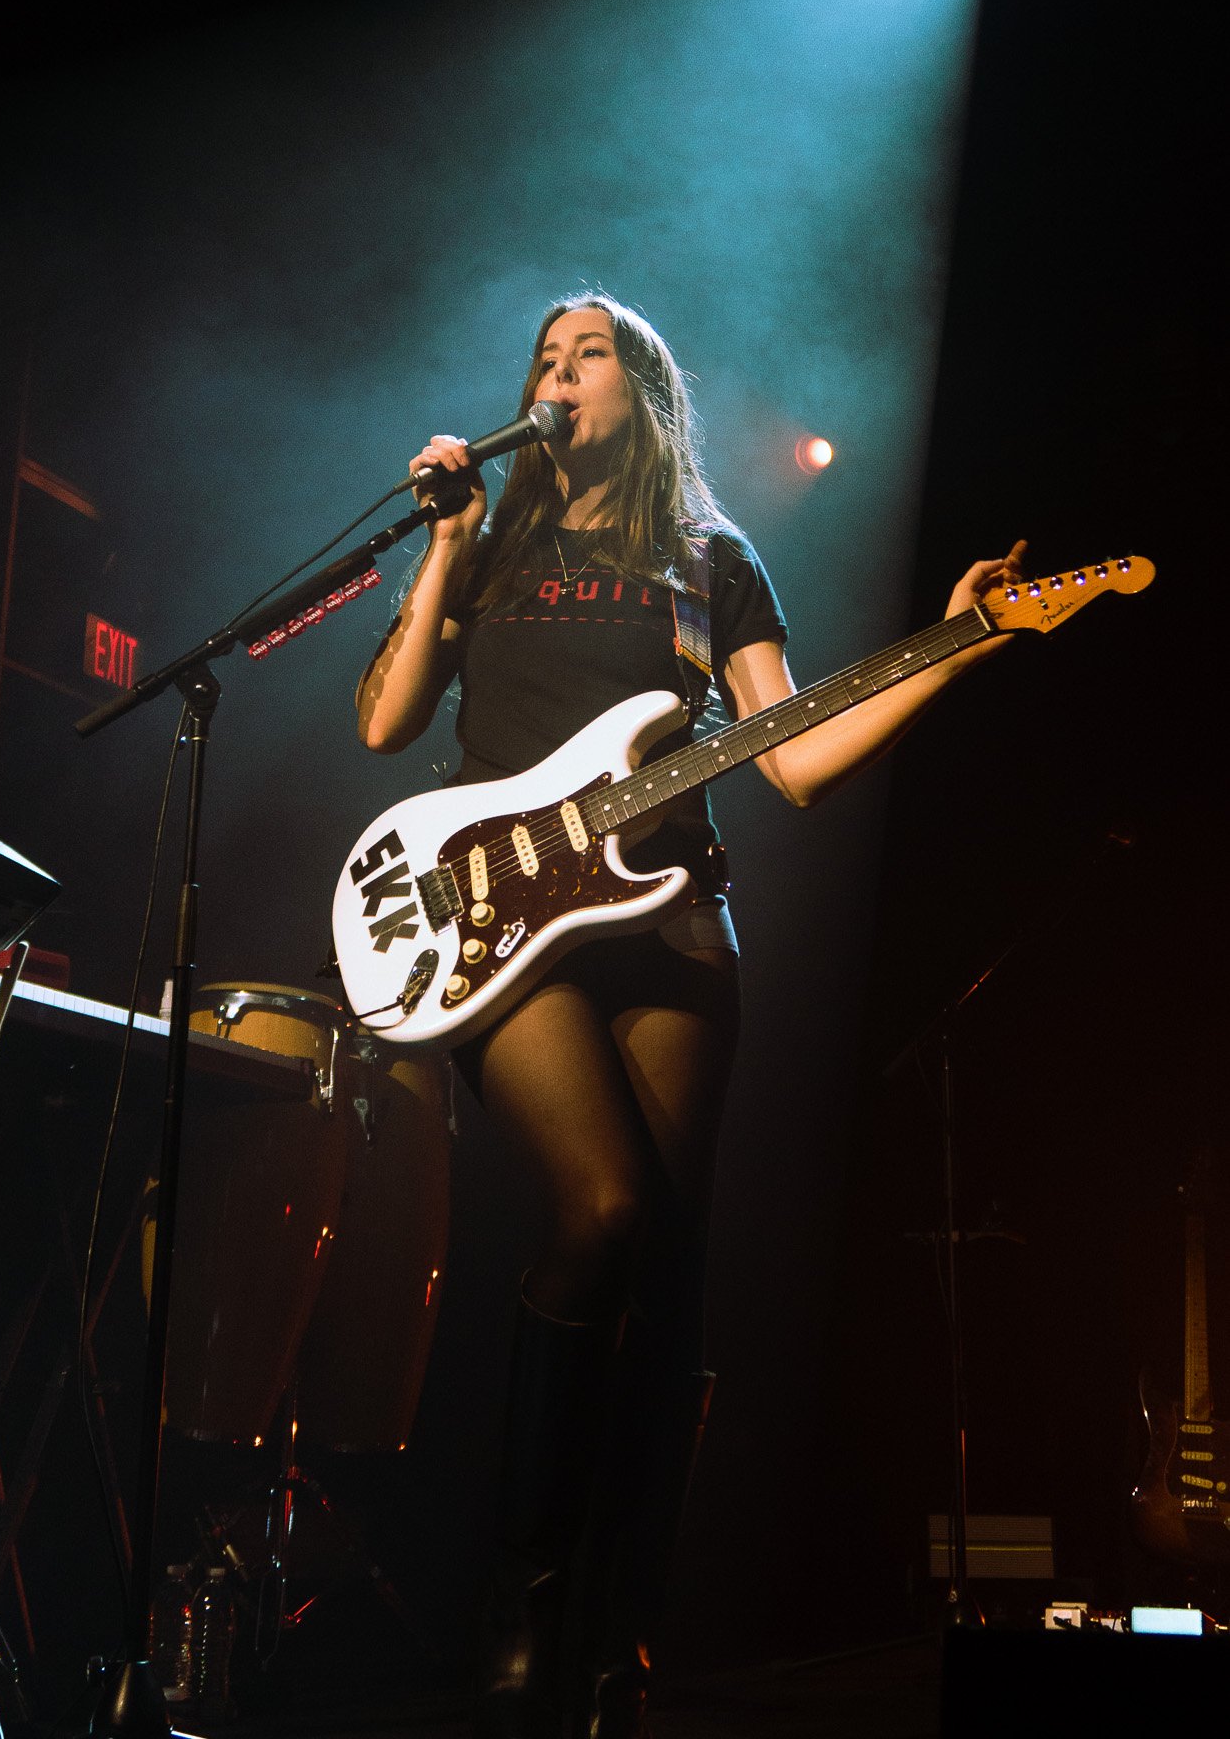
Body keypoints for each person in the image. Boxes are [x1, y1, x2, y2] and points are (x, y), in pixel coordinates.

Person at [355, 292, 1024, 1739]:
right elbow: (386, 723)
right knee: (598, 1210)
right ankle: (524, 1598)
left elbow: (793, 760)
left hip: (667, 915)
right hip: (500, 923)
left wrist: (954, 647)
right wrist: (446, 542)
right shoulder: (495, 545)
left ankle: (616, 1634)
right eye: (543, 358)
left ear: (645, 395)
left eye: (586, 354)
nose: (557, 374)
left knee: (665, 1270)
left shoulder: (710, 562)